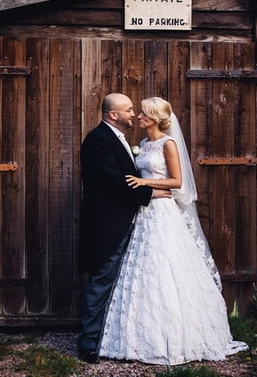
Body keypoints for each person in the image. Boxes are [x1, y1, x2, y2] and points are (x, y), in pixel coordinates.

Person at [98, 97, 248, 365]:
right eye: (137, 112)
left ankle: (179, 336)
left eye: (143, 113)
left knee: (167, 265)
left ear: (155, 118)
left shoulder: (168, 143)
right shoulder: (142, 145)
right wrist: (145, 188)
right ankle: (139, 336)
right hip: (143, 214)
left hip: (164, 213)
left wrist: (145, 181)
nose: (138, 116)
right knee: (143, 269)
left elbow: (177, 181)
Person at [77, 93, 171, 364]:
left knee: (121, 281)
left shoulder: (121, 139)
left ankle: (111, 338)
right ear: (113, 114)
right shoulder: (98, 140)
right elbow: (111, 180)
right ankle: (88, 344)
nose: (134, 114)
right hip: (107, 223)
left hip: (127, 220)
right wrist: (150, 194)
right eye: (129, 110)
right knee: (102, 280)